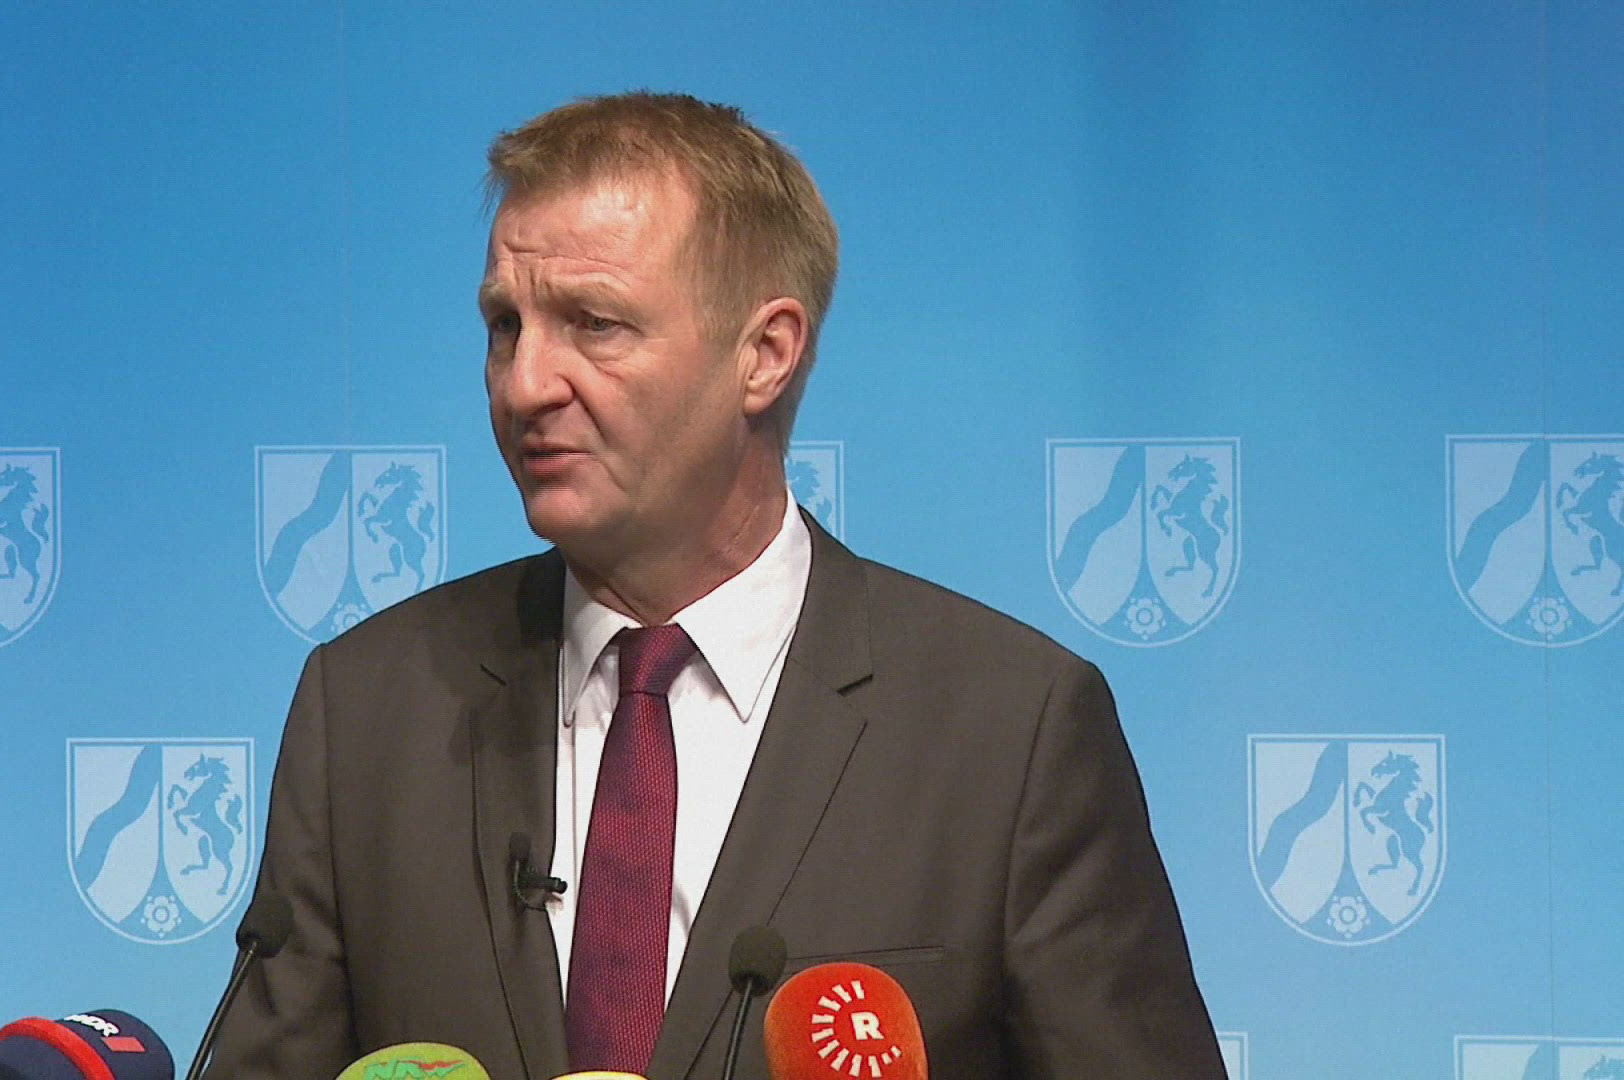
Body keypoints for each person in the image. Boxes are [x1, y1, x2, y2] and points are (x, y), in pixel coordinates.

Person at [207, 92, 1225, 1080]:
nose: (525, 384)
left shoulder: (1010, 731)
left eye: (594, 323)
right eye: (506, 325)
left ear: (765, 355)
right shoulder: (367, 709)